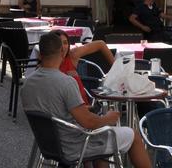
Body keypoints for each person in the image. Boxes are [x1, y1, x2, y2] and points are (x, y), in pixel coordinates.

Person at [21, 31, 153, 168]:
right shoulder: (66, 82)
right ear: (61, 52)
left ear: (40, 54)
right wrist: (108, 118)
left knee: (102, 144)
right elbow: (89, 122)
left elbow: (53, 109)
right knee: (133, 136)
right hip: (75, 145)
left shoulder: (27, 83)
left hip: (48, 145)